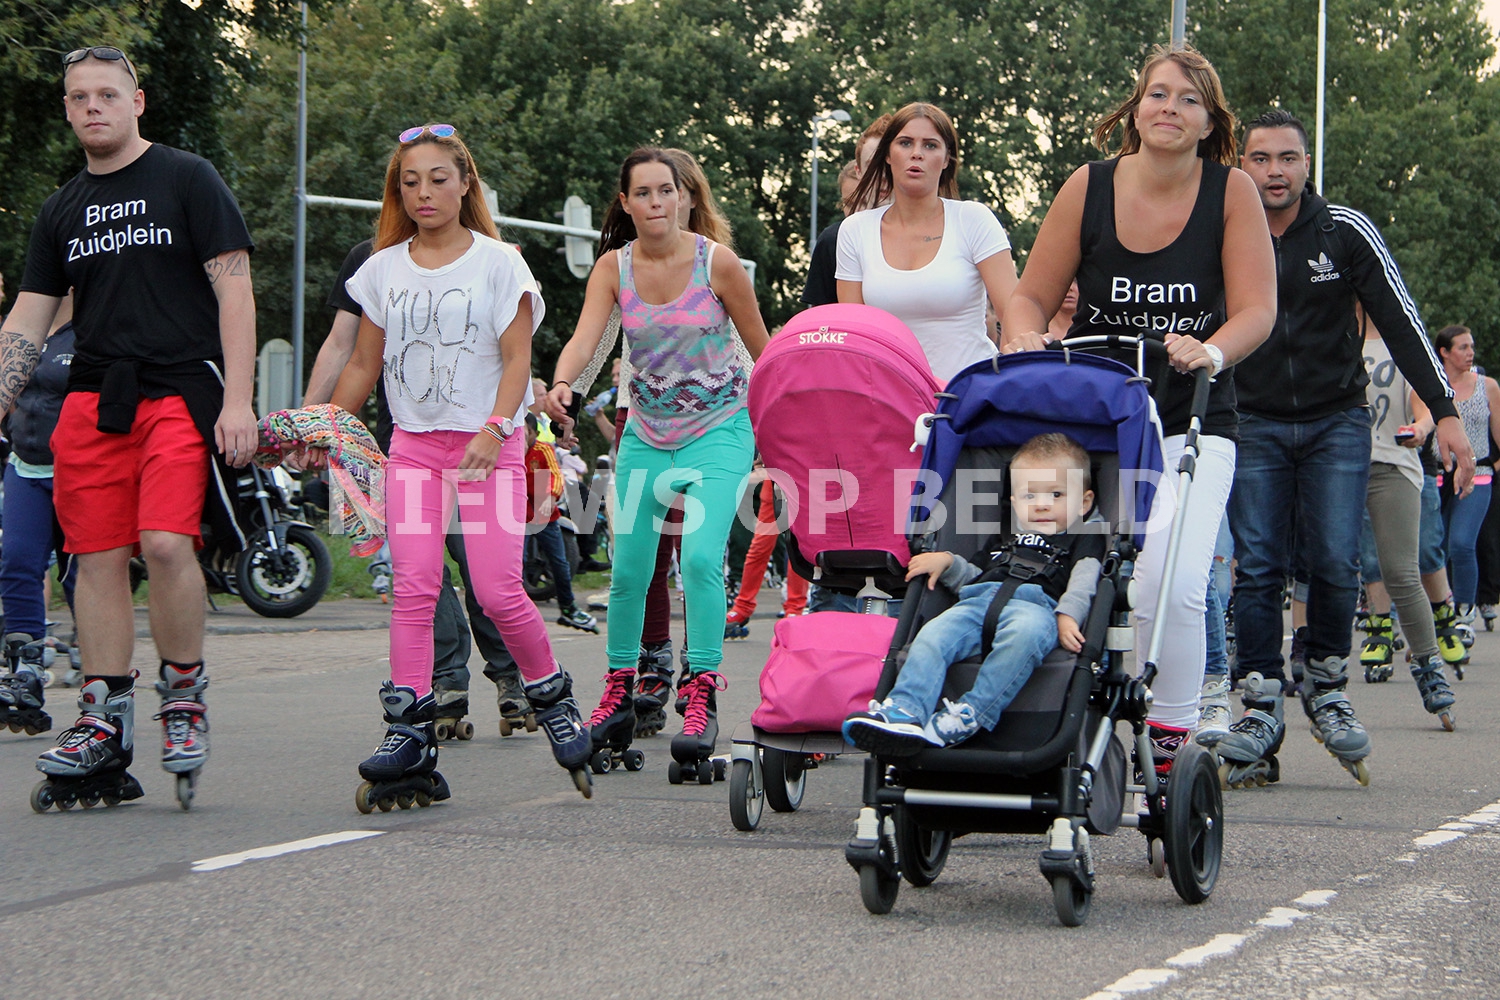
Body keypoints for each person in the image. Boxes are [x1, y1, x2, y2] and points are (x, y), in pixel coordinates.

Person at [1002, 44, 1277, 777]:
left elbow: (1257, 310)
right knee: (1049, 569)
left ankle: (1171, 740)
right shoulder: (1088, 186)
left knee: (1174, 586)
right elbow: (1029, 296)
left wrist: (1211, 349)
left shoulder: (1232, 193)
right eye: (1158, 94)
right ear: (1135, 108)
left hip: (1192, 422)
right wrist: (1024, 334)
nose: (1170, 109)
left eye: (1189, 100)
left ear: (1209, 121)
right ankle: (1053, 715)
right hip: (1095, 423)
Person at [2, 45, 257, 810]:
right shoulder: (61, 209)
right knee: (94, 557)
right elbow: (27, 320)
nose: (93, 107)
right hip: (93, 400)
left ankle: (183, 696)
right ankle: (103, 719)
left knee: (167, 542)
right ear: (68, 109)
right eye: (79, 97)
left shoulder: (187, 177)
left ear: (137, 101)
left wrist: (239, 400)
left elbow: (236, 291)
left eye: (107, 94)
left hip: (179, 388)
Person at [331, 123, 592, 801]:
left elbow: (516, 360)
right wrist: (328, 428)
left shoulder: (499, 263)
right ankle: (408, 729)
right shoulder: (382, 269)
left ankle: (551, 696)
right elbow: (362, 364)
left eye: (438, 179)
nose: (424, 193)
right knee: (414, 588)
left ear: (465, 182)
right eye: (410, 182)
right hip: (414, 450)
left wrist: (496, 428)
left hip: (488, 450)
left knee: (497, 589)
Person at [1216, 108, 1471, 786]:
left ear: (1307, 164)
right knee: (1259, 565)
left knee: (1334, 560)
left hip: (1336, 420)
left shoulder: (1344, 230)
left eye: (1288, 158)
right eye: (1261, 158)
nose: (1275, 171)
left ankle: (1327, 684)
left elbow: (1402, 319)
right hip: (1253, 420)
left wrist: (1446, 412)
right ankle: (1260, 704)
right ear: (1242, 164)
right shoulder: (1222, 227)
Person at [546, 147, 769, 779]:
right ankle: (619, 690)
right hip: (646, 434)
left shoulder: (717, 263)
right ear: (626, 203)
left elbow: (763, 351)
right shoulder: (614, 268)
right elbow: (585, 340)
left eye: (664, 191)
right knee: (629, 571)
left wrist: (783, 425)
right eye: (641, 193)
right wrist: (564, 384)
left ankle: (700, 692)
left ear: (683, 196)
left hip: (720, 430)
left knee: (698, 559)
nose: (655, 203)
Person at [841, 433, 1106, 755]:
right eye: (1029, 495)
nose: (1041, 504)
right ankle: (905, 709)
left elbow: (1085, 579)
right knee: (931, 636)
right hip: (977, 600)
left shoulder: (1083, 536)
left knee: (1025, 636)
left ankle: (971, 713)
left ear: (1084, 503)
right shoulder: (1006, 536)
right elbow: (975, 575)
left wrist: (1068, 615)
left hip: (1036, 607)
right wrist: (949, 562)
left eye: (1056, 494)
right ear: (1014, 502)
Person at [837, 102, 1018, 383]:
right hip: (890, 397)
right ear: (888, 154)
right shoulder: (854, 231)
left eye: (930, 145)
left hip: (969, 394)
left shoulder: (974, 219)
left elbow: (1015, 315)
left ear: (947, 159)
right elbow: (856, 337)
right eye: (905, 143)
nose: (917, 153)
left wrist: (1011, 375)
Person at [1351, 311, 1456, 727]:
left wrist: (1423, 427)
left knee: (1400, 570)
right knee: (1324, 570)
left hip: (1391, 463)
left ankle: (1429, 668)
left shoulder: (1404, 336)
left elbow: (1424, 400)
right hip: (1336, 462)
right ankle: (1322, 677)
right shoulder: (1329, 329)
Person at [0, 294, 79, 736]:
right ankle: (26, 674)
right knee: (16, 562)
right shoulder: (25, 320)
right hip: (26, 465)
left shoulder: (94, 325)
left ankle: (102, 679)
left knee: (81, 576)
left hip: (80, 469)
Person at [1434, 325, 1498, 633]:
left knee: (1461, 543)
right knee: (1435, 546)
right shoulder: (1431, 385)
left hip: (1478, 473)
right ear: (1444, 352)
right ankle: (1438, 607)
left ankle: (1464, 610)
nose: (1470, 352)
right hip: (1438, 474)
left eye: (1471, 346)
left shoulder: (1488, 386)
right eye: (1463, 347)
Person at [803, 115, 892, 308]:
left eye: (889, 164)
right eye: (849, 204)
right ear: (860, 171)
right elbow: (826, 316)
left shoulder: (951, 223)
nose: (883, 175)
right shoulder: (836, 238)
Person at [523, 413, 598, 632]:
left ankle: (568, 607)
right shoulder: (507, 451)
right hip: (518, 517)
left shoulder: (543, 450)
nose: (522, 438)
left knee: (559, 562)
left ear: (534, 434)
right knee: (516, 563)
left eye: (526, 433)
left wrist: (550, 496)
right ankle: (518, 611)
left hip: (545, 516)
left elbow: (556, 476)